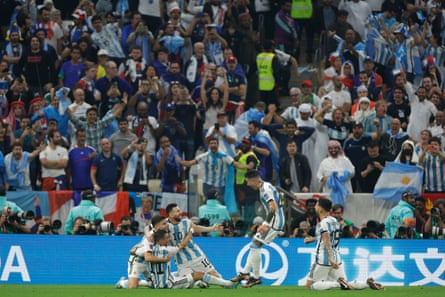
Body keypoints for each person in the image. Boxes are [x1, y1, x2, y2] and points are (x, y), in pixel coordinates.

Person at [304, 198, 383, 290]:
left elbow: (326, 238)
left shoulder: (322, 223)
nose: (315, 207)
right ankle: (367, 284)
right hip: (336, 257)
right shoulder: (334, 220)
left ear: (320, 209)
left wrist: (329, 257)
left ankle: (338, 284)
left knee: (310, 286)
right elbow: (330, 236)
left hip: (324, 258)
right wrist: (314, 239)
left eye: (317, 205)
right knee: (347, 284)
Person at [231, 169, 284, 288]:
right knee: (254, 245)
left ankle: (256, 277)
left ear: (253, 180)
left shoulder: (265, 189)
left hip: (275, 222)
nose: (247, 185)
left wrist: (265, 223)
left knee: (255, 244)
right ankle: (245, 273)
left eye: (248, 182)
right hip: (275, 220)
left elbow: (273, 207)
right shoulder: (265, 187)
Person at [151, 229, 237, 289]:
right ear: (159, 240)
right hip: (169, 284)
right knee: (198, 274)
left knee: (179, 274)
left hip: (156, 283)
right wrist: (191, 232)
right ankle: (228, 284)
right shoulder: (167, 250)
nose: (169, 240)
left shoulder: (149, 250)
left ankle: (198, 283)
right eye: (166, 238)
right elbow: (182, 245)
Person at [166, 203, 221, 277]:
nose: (180, 213)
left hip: (196, 256)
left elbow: (196, 227)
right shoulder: (164, 224)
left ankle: (228, 284)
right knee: (188, 283)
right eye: (177, 211)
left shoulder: (186, 222)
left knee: (215, 275)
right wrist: (147, 234)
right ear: (171, 214)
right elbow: (151, 228)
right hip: (181, 261)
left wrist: (211, 229)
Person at [115, 215, 168, 289]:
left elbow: (148, 226)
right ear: (157, 226)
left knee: (156, 285)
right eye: (164, 224)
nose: (167, 225)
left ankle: (138, 282)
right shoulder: (151, 237)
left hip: (149, 262)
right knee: (132, 287)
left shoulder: (162, 233)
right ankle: (123, 282)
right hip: (138, 261)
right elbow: (135, 251)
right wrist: (135, 250)